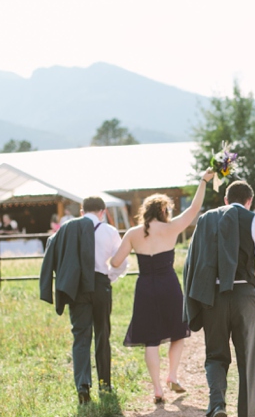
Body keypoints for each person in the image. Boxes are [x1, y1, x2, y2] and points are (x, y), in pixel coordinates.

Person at [183, 181, 255, 417]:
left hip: (212, 298)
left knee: (215, 355)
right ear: (249, 201)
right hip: (243, 297)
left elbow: (191, 262)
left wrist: (193, 301)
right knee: (247, 359)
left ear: (226, 200)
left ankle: (216, 404)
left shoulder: (205, 220)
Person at [110, 170, 215, 403]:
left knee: (151, 339)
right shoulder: (171, 229)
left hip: (145, 288)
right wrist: (203, 181)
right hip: (169, 285)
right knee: (178, 332)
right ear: (164, 210)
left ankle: (157, 388)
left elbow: (116, 262)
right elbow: (194, 208)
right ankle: (173, 375)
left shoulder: (133, 233)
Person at [40, 196, 128, 404]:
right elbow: (121, 263)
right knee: (102, 334)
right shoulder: (109, 231)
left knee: (80, 336)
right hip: (100, 285)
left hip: (77, 286)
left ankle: (82, 385)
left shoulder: (67, 228)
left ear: (82, 212)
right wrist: (109, 278)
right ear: (103, 211)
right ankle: (105, 383)